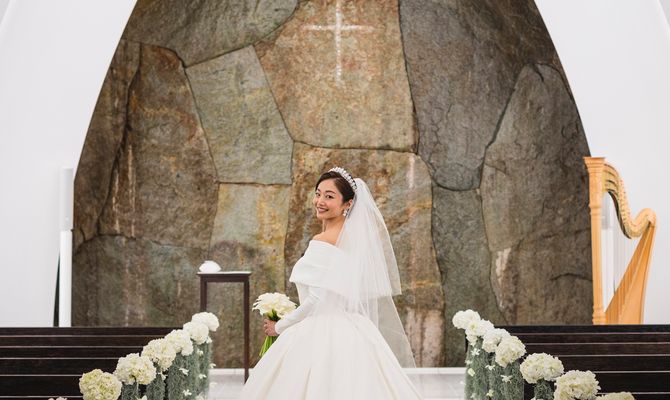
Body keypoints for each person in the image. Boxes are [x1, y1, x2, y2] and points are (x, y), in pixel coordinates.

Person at [238, 167, 423, 399]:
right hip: (353, 328)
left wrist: (280, 326)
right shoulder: (354, 240)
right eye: (318, 194)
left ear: (348, 203)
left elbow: (317, 299)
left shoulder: (324, 241)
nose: (320, 201)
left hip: (319, 330)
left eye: (329, 196)